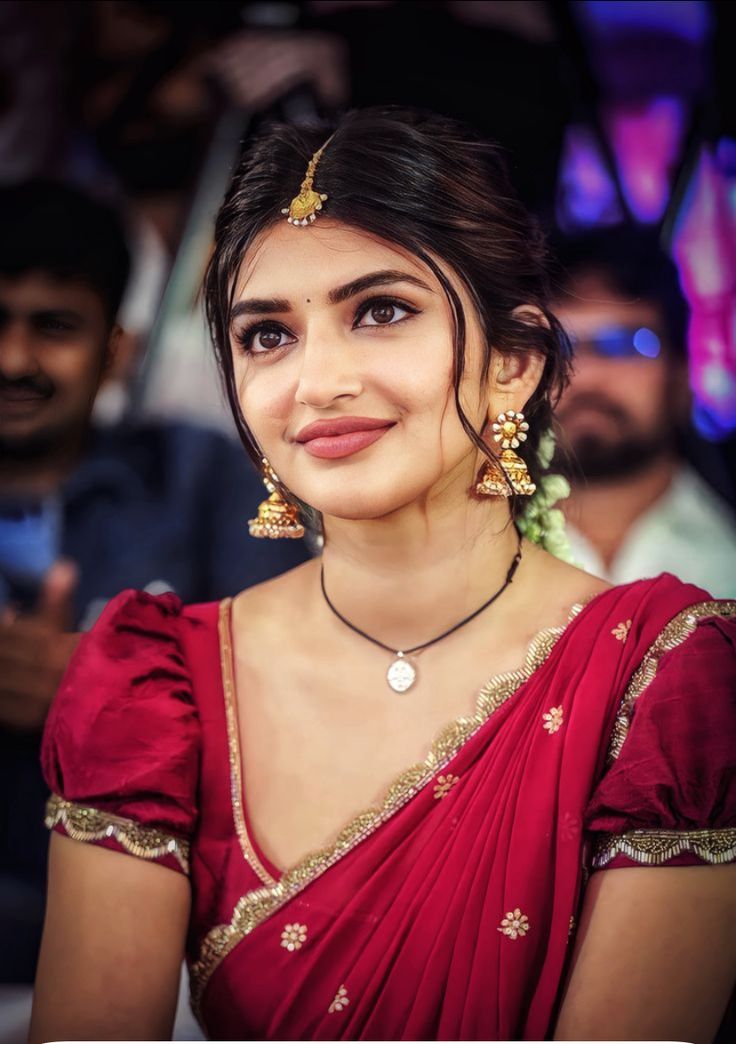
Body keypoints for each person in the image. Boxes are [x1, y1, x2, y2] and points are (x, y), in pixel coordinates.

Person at [30, 110, 735, 1042]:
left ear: (513, 365)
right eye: (267, 336)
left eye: (382, 311)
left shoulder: (661, 677)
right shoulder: (156, 684)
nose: (317, 381)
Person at [0, 179, 308, 984]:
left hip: (169, 966)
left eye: (54, 327)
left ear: (116, 351)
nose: (13, 360)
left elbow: (298, 710)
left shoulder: (204, 482)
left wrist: (103, 698)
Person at [550, 226, 736, 597]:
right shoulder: (461, 552)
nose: (585, 374)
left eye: (627, 344)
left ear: (683, 374)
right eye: (556, 347)